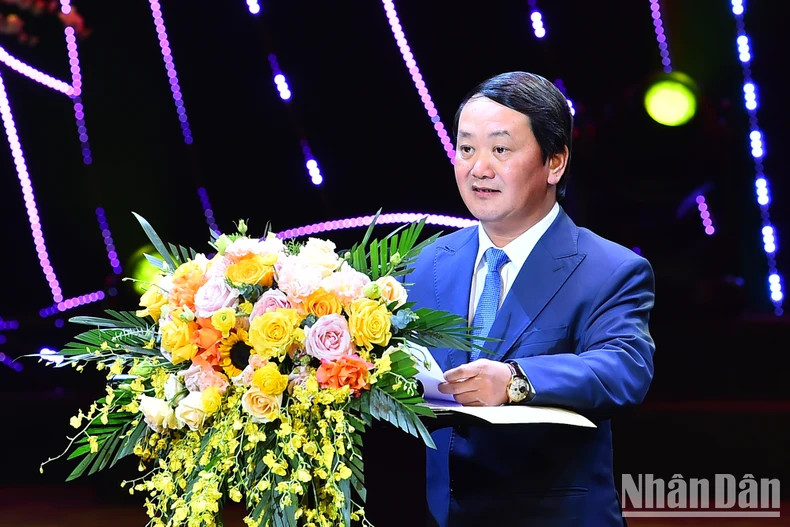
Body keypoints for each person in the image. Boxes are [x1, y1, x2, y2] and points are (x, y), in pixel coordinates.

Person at [405, 71, 656, 526]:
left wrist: (516, 380)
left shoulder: (609, 269)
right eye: (466, 148)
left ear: (555, 162)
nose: (479, 168)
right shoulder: (425, 263)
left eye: (500, 149)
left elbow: (625, 367)